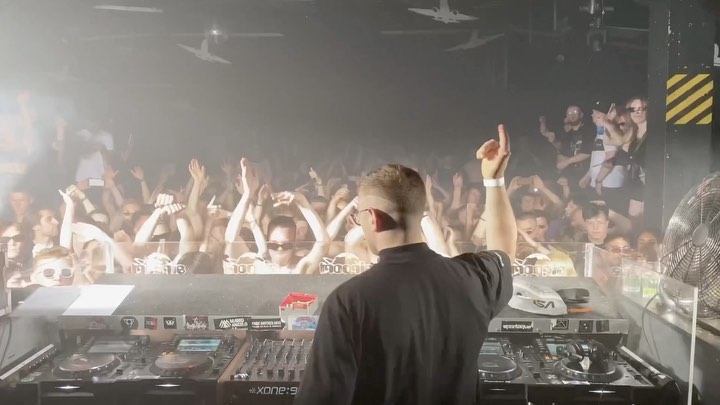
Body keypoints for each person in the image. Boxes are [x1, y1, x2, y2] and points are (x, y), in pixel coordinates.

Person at [294, 125, 517, 405]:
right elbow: (504, 253)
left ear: (373, 217)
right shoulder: (472, 278)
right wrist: (494, 181)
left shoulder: (348, 302)